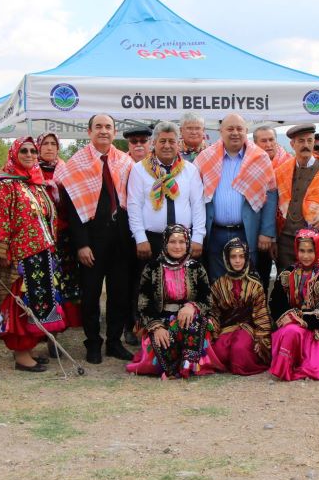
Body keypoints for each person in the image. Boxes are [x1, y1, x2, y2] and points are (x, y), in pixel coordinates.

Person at [56, 114, 135, 364]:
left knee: (119, 294)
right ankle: (92, 343)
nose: (103, 131)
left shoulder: (125, 161)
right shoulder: (76, 163)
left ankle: (114, 342)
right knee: (90, 296)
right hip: (91, 241)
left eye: (108, 127)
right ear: (89, 131)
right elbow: (72, 209)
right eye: (98, 127)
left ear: (115, 131)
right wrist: (81, 244)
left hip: (121, 240)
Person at [0, 137, 65, 373]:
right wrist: (2, 255)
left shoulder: (36, 184)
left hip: (41, 256)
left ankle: (28, 350)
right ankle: (20, 354)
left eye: (33, 151)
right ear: (14, 154)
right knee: (17, 305)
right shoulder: (5, 184)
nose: (30, 155)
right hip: (18, 259)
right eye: (24, 151)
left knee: (38, 303)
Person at [126, 224, 219, 378]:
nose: (177, 246)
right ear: (165, 243)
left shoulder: (196, 268)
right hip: (161, 319)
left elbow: (207, 299)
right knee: (162, 343)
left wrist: (192, 306)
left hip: (188, 319)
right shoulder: (152, 268)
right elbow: (144, 302)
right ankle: (172, 368)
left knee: (194, 324)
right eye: (173, 242)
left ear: (188, 244)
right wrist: (156, 327)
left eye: (182, 242)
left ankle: (189, 365)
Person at [195, 113, 277, 280]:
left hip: (246, 233)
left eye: (239, 129)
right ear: (221, 132)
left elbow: (271, 194)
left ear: (246, 131)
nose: (235, 133)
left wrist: (267, 232)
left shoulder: (260, 158)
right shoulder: (205, 158)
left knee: (247, 283)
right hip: (215, 233)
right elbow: (195, 196)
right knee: (218, 285)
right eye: (230, 129)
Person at [268, 230, 319, 380]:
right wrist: (288, 317)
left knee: (314, 368)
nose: (306, 256)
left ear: (317, 249)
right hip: (293, 328)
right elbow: (275, 302)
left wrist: (300, 318)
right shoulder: (288, 273)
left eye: (310, 251)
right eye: (302, 251)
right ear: (296, 251)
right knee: (291, 331)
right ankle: (285, 368)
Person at [127, 121, 206, 260]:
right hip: (151, 240)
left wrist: (198, 237)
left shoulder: (190, 169)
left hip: (183, 240)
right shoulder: (139, 169)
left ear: (178, 143)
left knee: (184, 281)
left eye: (171, 141)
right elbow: (134, 205)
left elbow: (198, 205)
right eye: (162, 141)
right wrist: (140, 238)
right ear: (154, 143)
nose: (167, 146)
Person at [274, 123, 319, 271]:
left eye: (309, 140)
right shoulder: (282, 170)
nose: (306, 145)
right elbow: (275, 206)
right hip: (286, 239)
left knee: (313, 286)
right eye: (301, 141)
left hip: (314, 240)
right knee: (286, 284)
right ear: (292, 144)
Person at [36, 131, 82, 337]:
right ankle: (46, 320)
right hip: (40, 233)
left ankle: (70, 318)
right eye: (45, 143)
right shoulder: (30, 171)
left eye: (53, 144)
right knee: (46, 276)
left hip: (65, 231)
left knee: (68, 274)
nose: (49, 148)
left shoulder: (65, 170)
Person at [209, 237, 271, 374]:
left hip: (248, 329)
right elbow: (214, 313)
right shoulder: (218, 285)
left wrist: (261, 341)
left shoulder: (255, 286)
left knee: (239, 350)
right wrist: (213, 335)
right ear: (226, 258)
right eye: (233, 256)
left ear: (247, 257)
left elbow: (262, 316)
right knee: (219, 352)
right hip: (226, 329)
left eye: (241, 256)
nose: (237, 261)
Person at [251, 123, 287, 287]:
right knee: (259, 276)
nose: (268, 144)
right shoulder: (249, 166)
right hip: (259, 232)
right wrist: (268, 233)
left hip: (285, 231)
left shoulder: (288, 163)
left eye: (271, 139)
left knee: (284, 276)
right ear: (255, 144)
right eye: (263, 141)